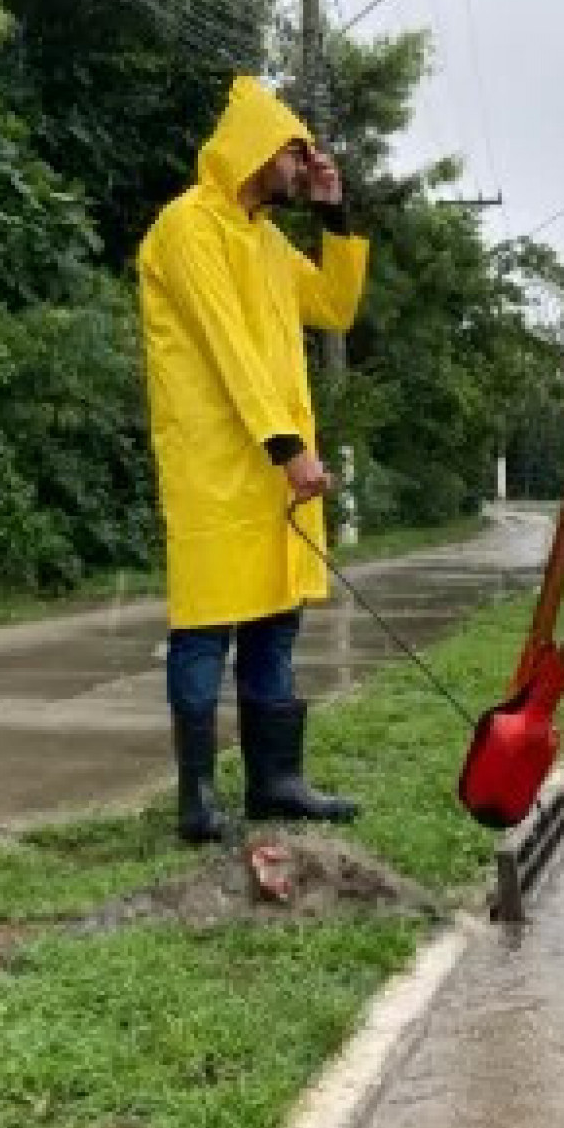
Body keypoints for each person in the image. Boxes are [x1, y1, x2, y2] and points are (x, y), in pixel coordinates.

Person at [138, 77, 368, 842]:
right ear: (257, 148)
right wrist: (288, 448)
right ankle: (198, 797)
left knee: (275, 619)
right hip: (215, 462)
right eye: (297, 154)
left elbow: (334, 306)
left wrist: (335, 212)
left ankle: (276, 782)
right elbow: (228, 349)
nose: (305, 166)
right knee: (207, 624)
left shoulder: (266, 242)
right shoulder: (187, 228)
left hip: (276, 466)